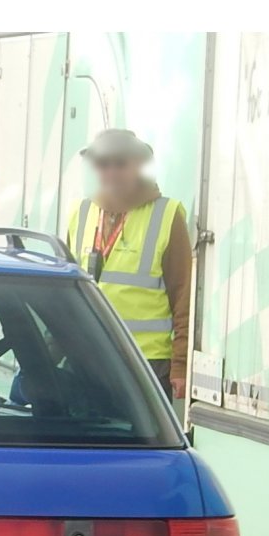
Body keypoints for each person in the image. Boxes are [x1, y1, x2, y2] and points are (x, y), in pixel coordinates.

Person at [65, 128, 191, 402]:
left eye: (121, 164)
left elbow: (184, 297)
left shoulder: (167, 214)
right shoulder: (81, 212)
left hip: (146, 362)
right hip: (87, 357)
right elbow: (64, 291)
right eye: (102, 164)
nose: (111, 172)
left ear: (139, 166)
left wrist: (180, 364)